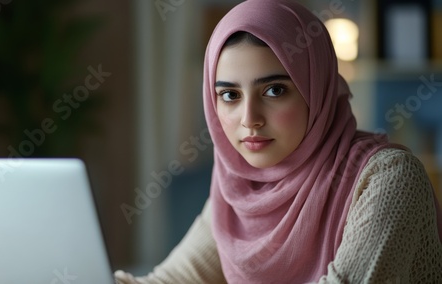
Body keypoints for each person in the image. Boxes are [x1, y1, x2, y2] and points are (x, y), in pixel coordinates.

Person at [115, 0, 442, 282]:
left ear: (316, 89)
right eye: (229, 95)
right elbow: (171, 279)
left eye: (274, 90)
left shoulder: (388, 177)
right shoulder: (238, 187)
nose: (249, 119)